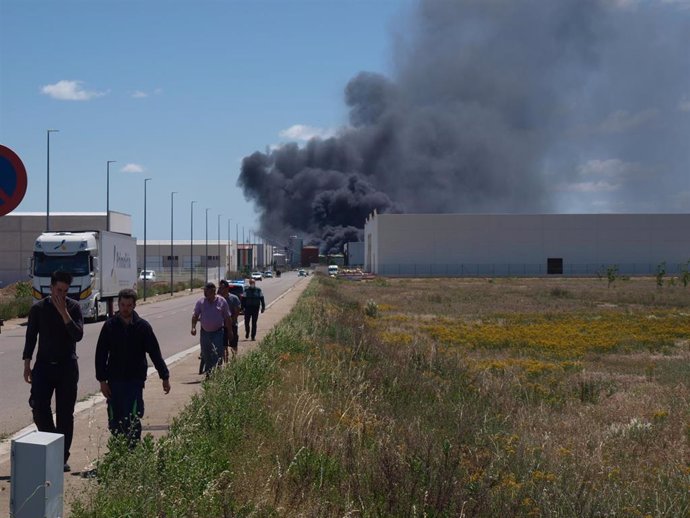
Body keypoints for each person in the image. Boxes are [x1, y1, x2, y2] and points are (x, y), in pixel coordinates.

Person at [22, 270, 84, 472]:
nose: (62, 294)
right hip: (44, 366)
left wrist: (64, 313)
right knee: (39, 406)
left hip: (67, 366)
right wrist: (27, 364)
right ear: (51, 288)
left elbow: (77, 335)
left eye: (66, 291)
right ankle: (52, 445)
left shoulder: (73, 308)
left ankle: (60, 457)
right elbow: (31, 337)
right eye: (59, 290)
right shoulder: (39, 309)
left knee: (65, 414)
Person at [95, 288, 170, 446]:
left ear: (134, 305)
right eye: (122, 304)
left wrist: (165, 376)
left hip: (134, 381)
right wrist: (102, 380)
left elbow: (155, 353)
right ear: (118, 304)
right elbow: (101, 354)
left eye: (129, 305)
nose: (125, 308)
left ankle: (133, 453)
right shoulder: (109, 326)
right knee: (115, 418)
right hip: (114, 381)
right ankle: (118, 451)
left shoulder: (143, 327)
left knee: (133, 417)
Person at [191, 282, 232, 376]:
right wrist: (193, 327)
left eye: (207, 291)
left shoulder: (222, 301)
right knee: (206, 354)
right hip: (205, 333)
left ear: (213, 291)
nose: (205, 293)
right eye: (204, 291)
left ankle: (217, 373)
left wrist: (230, 331)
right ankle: (209, 374)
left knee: (217, 354)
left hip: (218, 332)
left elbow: (227, 317)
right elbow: (195, 315)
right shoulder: (201, 302)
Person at [218, 280, 241, 361]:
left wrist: (232, 321)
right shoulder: (218, 299)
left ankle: (234, 359)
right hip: (221, 326)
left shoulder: (234, 298)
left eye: (222, 288)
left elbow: (237, 310)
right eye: (220, 288)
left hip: (232, 324)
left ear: (227, 288)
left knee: (233, 343)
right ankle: (225, 359)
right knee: (223, 344)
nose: (221, 289)